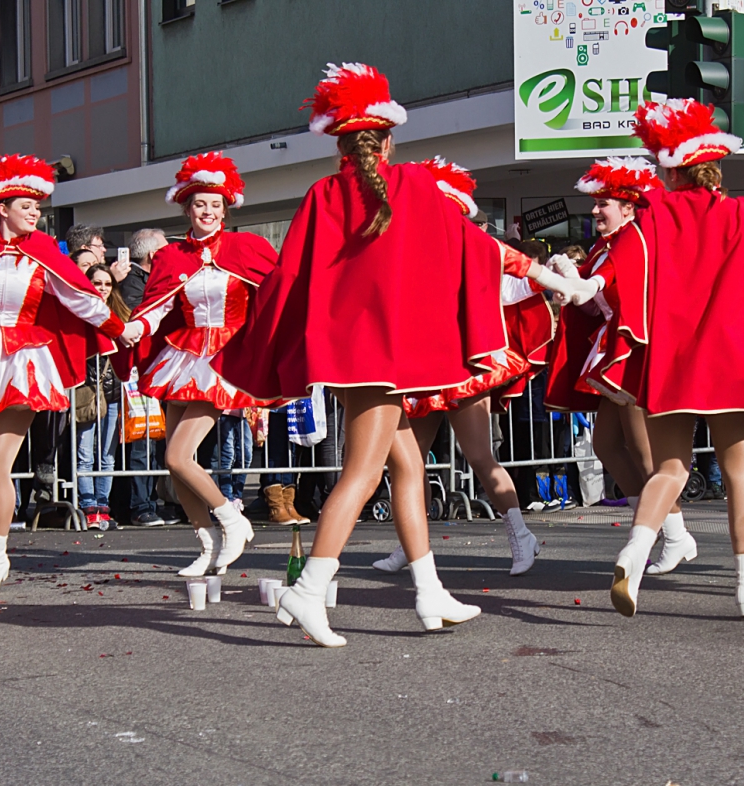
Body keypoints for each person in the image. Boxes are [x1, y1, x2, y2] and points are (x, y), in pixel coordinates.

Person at [212, 63, 582, 647]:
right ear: (387, 137)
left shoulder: (323, 194)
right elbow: (481, 251)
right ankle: (308, 590)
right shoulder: (415, 187)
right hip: (385, 360)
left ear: (342, 142)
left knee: (408, 467)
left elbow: (290, 279)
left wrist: (263, 342)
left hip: (348, 355)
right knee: (361, 473)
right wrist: (556, 280)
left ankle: (430, 591)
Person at [608, 98, 744, 619]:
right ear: (714, 164)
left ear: (672, 167)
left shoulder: (653, 214)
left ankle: (634, 553)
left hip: (673, 361)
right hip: (730, 362)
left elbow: (626, 279)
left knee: (671, 469)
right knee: (741, 473)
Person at [0, 155, 138, 593]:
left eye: (39, 205)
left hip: (21, 363)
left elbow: (82, 299)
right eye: (27, 204)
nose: (36, 211)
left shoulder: (42, 253)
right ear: (2, 207)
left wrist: (119, 328)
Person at [377, 156, 576, 576]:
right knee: (407, 462)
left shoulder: (477, 247)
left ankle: (522, 536)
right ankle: (410, 546)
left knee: (481, 458)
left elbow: (520, 275)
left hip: (466, 370)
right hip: (422, 374)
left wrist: (562, 278)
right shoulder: (409, 252)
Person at [117, 151, 277, 577]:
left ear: (226, 209)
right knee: (177, 464)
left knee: (176, 456)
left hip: (224, 358)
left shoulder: (247, 248)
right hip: (181, 355)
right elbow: (158, 304)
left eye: (215, 204)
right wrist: (137, 327)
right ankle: (205, 544)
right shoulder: (171, 257)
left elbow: (281, 294)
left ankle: (232, 519)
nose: (207, 212)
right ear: (187, 208)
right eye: (199, 204)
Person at [545, 156, 697, 576]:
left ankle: (674, 534)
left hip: (634, 351)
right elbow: (598, 297)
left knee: (648, 456)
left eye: (604, 203)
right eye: (595, 204)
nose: (595, 210)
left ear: (628, 207)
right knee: (607, 446)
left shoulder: (633, 238)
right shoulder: (606, 244)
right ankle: (661, 529)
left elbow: (610, 281)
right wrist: (570, 277)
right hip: (611, 349)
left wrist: (581, 283)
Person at [118, 228, 170, 526]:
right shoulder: (133, 284)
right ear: (153, 255)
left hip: (154, 372)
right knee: (141, 440)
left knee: (155, 440)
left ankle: (153, 499)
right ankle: (141, 505)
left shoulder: (151, 281)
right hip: (135, 374)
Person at [76, 263, 132, 526]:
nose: (102, 289)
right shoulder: (80, 312)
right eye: (97, 283)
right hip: (86, 389)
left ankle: (102, 505)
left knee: (107, 455)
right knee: (85, 452)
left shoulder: (120, 314)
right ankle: (88, 507)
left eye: (107, 284)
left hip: (112, 391)